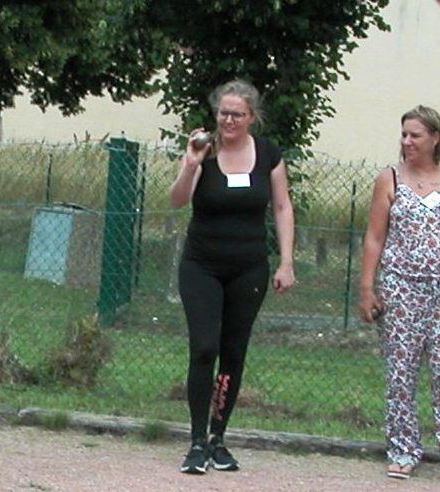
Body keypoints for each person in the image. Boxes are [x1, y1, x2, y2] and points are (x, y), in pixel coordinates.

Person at [170, 79, 295, 474]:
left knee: (233, 352)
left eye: (237, 114)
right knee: (204, 347)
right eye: (223, 113)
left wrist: (286, 261)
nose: (229, 120)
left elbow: (282, 206)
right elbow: (177, 200)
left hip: (248, 266)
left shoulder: (268, 155)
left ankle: (218, 438)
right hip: (202, 264)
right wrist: (191, 164)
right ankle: (195, 441)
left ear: (251, 118)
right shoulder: (201, 152)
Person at [358, 105, 440, 487]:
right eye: (404, 134)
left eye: (415, 135)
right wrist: (368, 288)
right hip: (400, 284)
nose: (407, 141)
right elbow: (374, 237)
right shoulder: (390, 179)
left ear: (435, 138)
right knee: (401, 370)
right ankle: (402, 449)